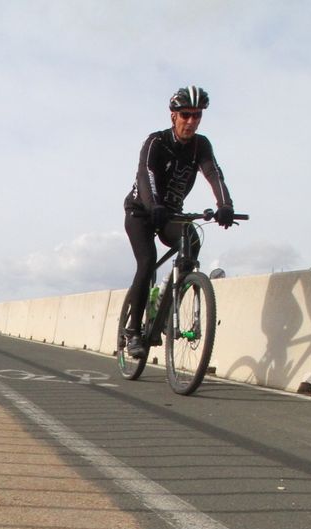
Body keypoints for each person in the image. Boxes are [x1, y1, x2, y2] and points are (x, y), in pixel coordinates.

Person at [121, 85, 235, 356]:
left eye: (196, 115)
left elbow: (213, 174)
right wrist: (153, 205)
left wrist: (225, 205)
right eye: (185, 115)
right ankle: (133, 331)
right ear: (173, 116)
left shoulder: (201, 145)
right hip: (140, 211)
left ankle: (169, 301)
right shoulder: (156, 142)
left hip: (169, 213)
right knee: (147, 263)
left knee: (192, 240)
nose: (191, 121)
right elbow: (145, 176)